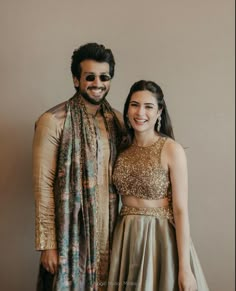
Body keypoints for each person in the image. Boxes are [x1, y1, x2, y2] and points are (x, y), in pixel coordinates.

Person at [32, 42, 124, 291]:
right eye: (89, 77)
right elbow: (43, 187)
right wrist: (48, 245)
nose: (98, 83)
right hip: (70, 237)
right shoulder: (52, 121)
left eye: (104, 77)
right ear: (76, 80)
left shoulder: (117, 120)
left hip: (110, 233)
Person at [108, 80, 209, 291]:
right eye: (134, 104)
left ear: (159, 111)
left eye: (148, 106)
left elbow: (180, 211)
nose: (140, 112)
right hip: (125, 238)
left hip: (160, 239)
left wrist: (185, 268)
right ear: (127, 110)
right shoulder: (120, 148)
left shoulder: (172, 149)